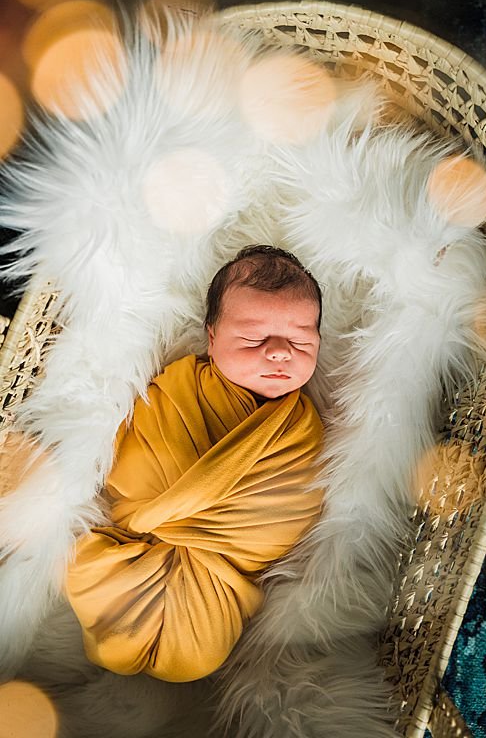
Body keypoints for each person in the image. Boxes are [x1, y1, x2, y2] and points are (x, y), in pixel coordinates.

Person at [65, 245, 325, 682]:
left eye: (300, 339)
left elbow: (294, 506)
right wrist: (158, 507)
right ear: (211, 337)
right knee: (78, 568)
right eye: (253, 338)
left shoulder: (301, 429)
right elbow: (135, 455)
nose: (280, 352)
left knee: (196, 659)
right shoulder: (179, 385)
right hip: (137, 541)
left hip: (220, 570)